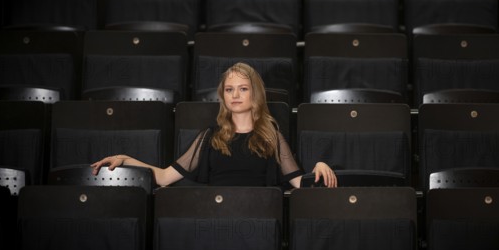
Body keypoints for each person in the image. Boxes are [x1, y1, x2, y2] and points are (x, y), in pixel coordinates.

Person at [91, 62, 337, 188]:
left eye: (243, 89)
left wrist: (320, 165)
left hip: (257, 215)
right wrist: (126, 159)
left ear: (256, 95)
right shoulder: (209, 136)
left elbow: (298, 183)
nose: (235, 95)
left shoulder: (272, 136)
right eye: (229, 89)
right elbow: (165, 177)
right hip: (214, 213)